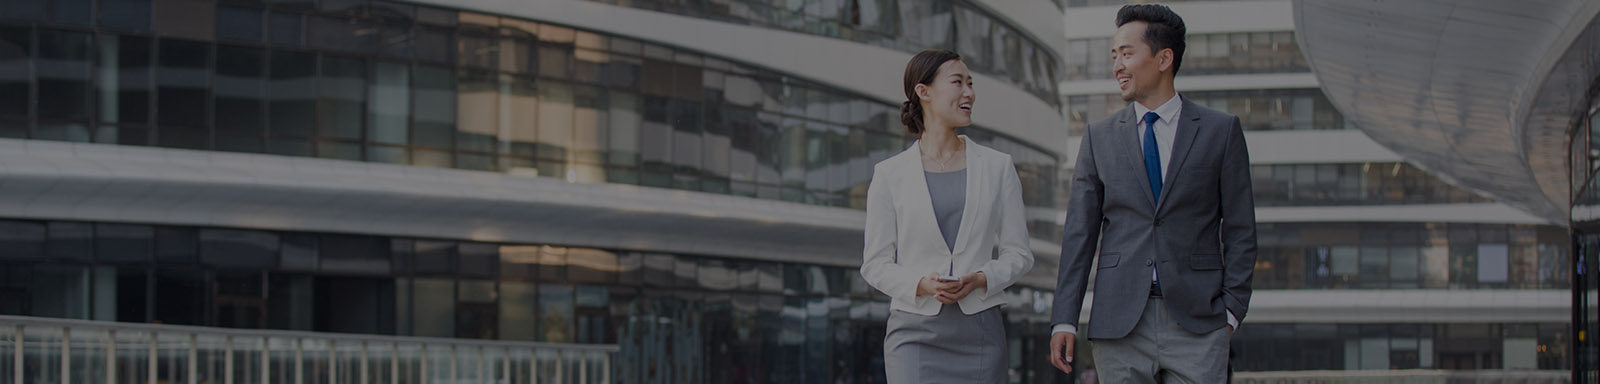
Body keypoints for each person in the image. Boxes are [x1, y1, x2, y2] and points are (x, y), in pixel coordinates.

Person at [1046, 4, 1258, 383]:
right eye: (1114, 56)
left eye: (1127, 53)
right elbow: (1080, 235)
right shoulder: (1099, 138)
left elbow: (1241, 229)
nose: (1117, 66)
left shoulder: (1220, 131)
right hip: (1119, 323)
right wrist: (1064, 317)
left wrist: (1230, 312)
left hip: (1199, 321)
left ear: (1164, 58)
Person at [860, 49, 1034, 383]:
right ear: (923, 92)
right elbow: (875, 263)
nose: (969, 92)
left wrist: (982, 277)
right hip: (914, 333)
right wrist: (920, 284)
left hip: (980, 331)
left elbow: (1019, 254)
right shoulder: (889, 174)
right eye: (957, 82)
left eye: (971, 83)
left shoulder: (998, 166)